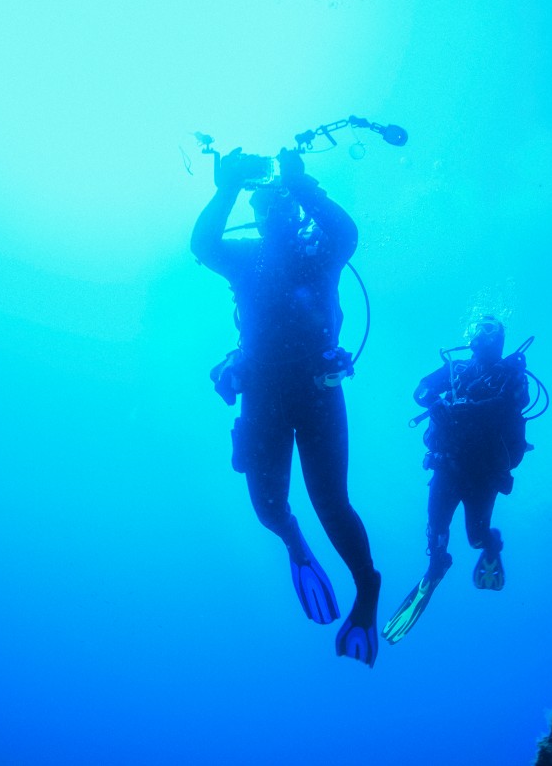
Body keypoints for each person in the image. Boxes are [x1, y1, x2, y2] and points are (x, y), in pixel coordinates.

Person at [191, 147, 381, 667]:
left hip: (317, 391)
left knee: (331, 504)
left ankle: (367, 590)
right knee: (270, 507)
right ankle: (295, 544)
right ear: (254, 215)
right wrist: (226, 188)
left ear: (295, 211)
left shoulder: (319, 252)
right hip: (265, 395)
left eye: (282, 206)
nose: (273, 215)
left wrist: (304, 186)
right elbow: (202, 243)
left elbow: (347, 234)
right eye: (264, 207)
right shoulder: (247, 258)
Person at [382, 315, 530, 644]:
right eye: (478, 328)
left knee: (475, 536)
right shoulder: (457, 370)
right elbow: (420, 388)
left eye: (489, 330)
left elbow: (515, 404)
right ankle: (436, 567)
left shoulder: (512, 375)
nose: (481, 335)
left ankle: (490, 545)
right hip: (447, 467)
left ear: (500, 339)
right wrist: (435, 402)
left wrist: (462, 410)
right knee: (436, 531)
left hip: (485, 473)